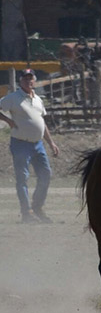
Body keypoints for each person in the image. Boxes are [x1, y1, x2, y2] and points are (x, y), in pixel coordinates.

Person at [0, 69, 60, 223]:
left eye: (31, 79)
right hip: (20, 144)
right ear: (20, 81)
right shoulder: (14, 98)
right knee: (22, 178)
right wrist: (8, 121)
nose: (28, 82)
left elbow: (42, 122)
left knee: (45, 174)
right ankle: (26, 212)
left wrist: (51, 143)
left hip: (38, 145)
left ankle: (37, 207)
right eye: (25, 79)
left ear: (34, 81)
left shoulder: (38, 100)